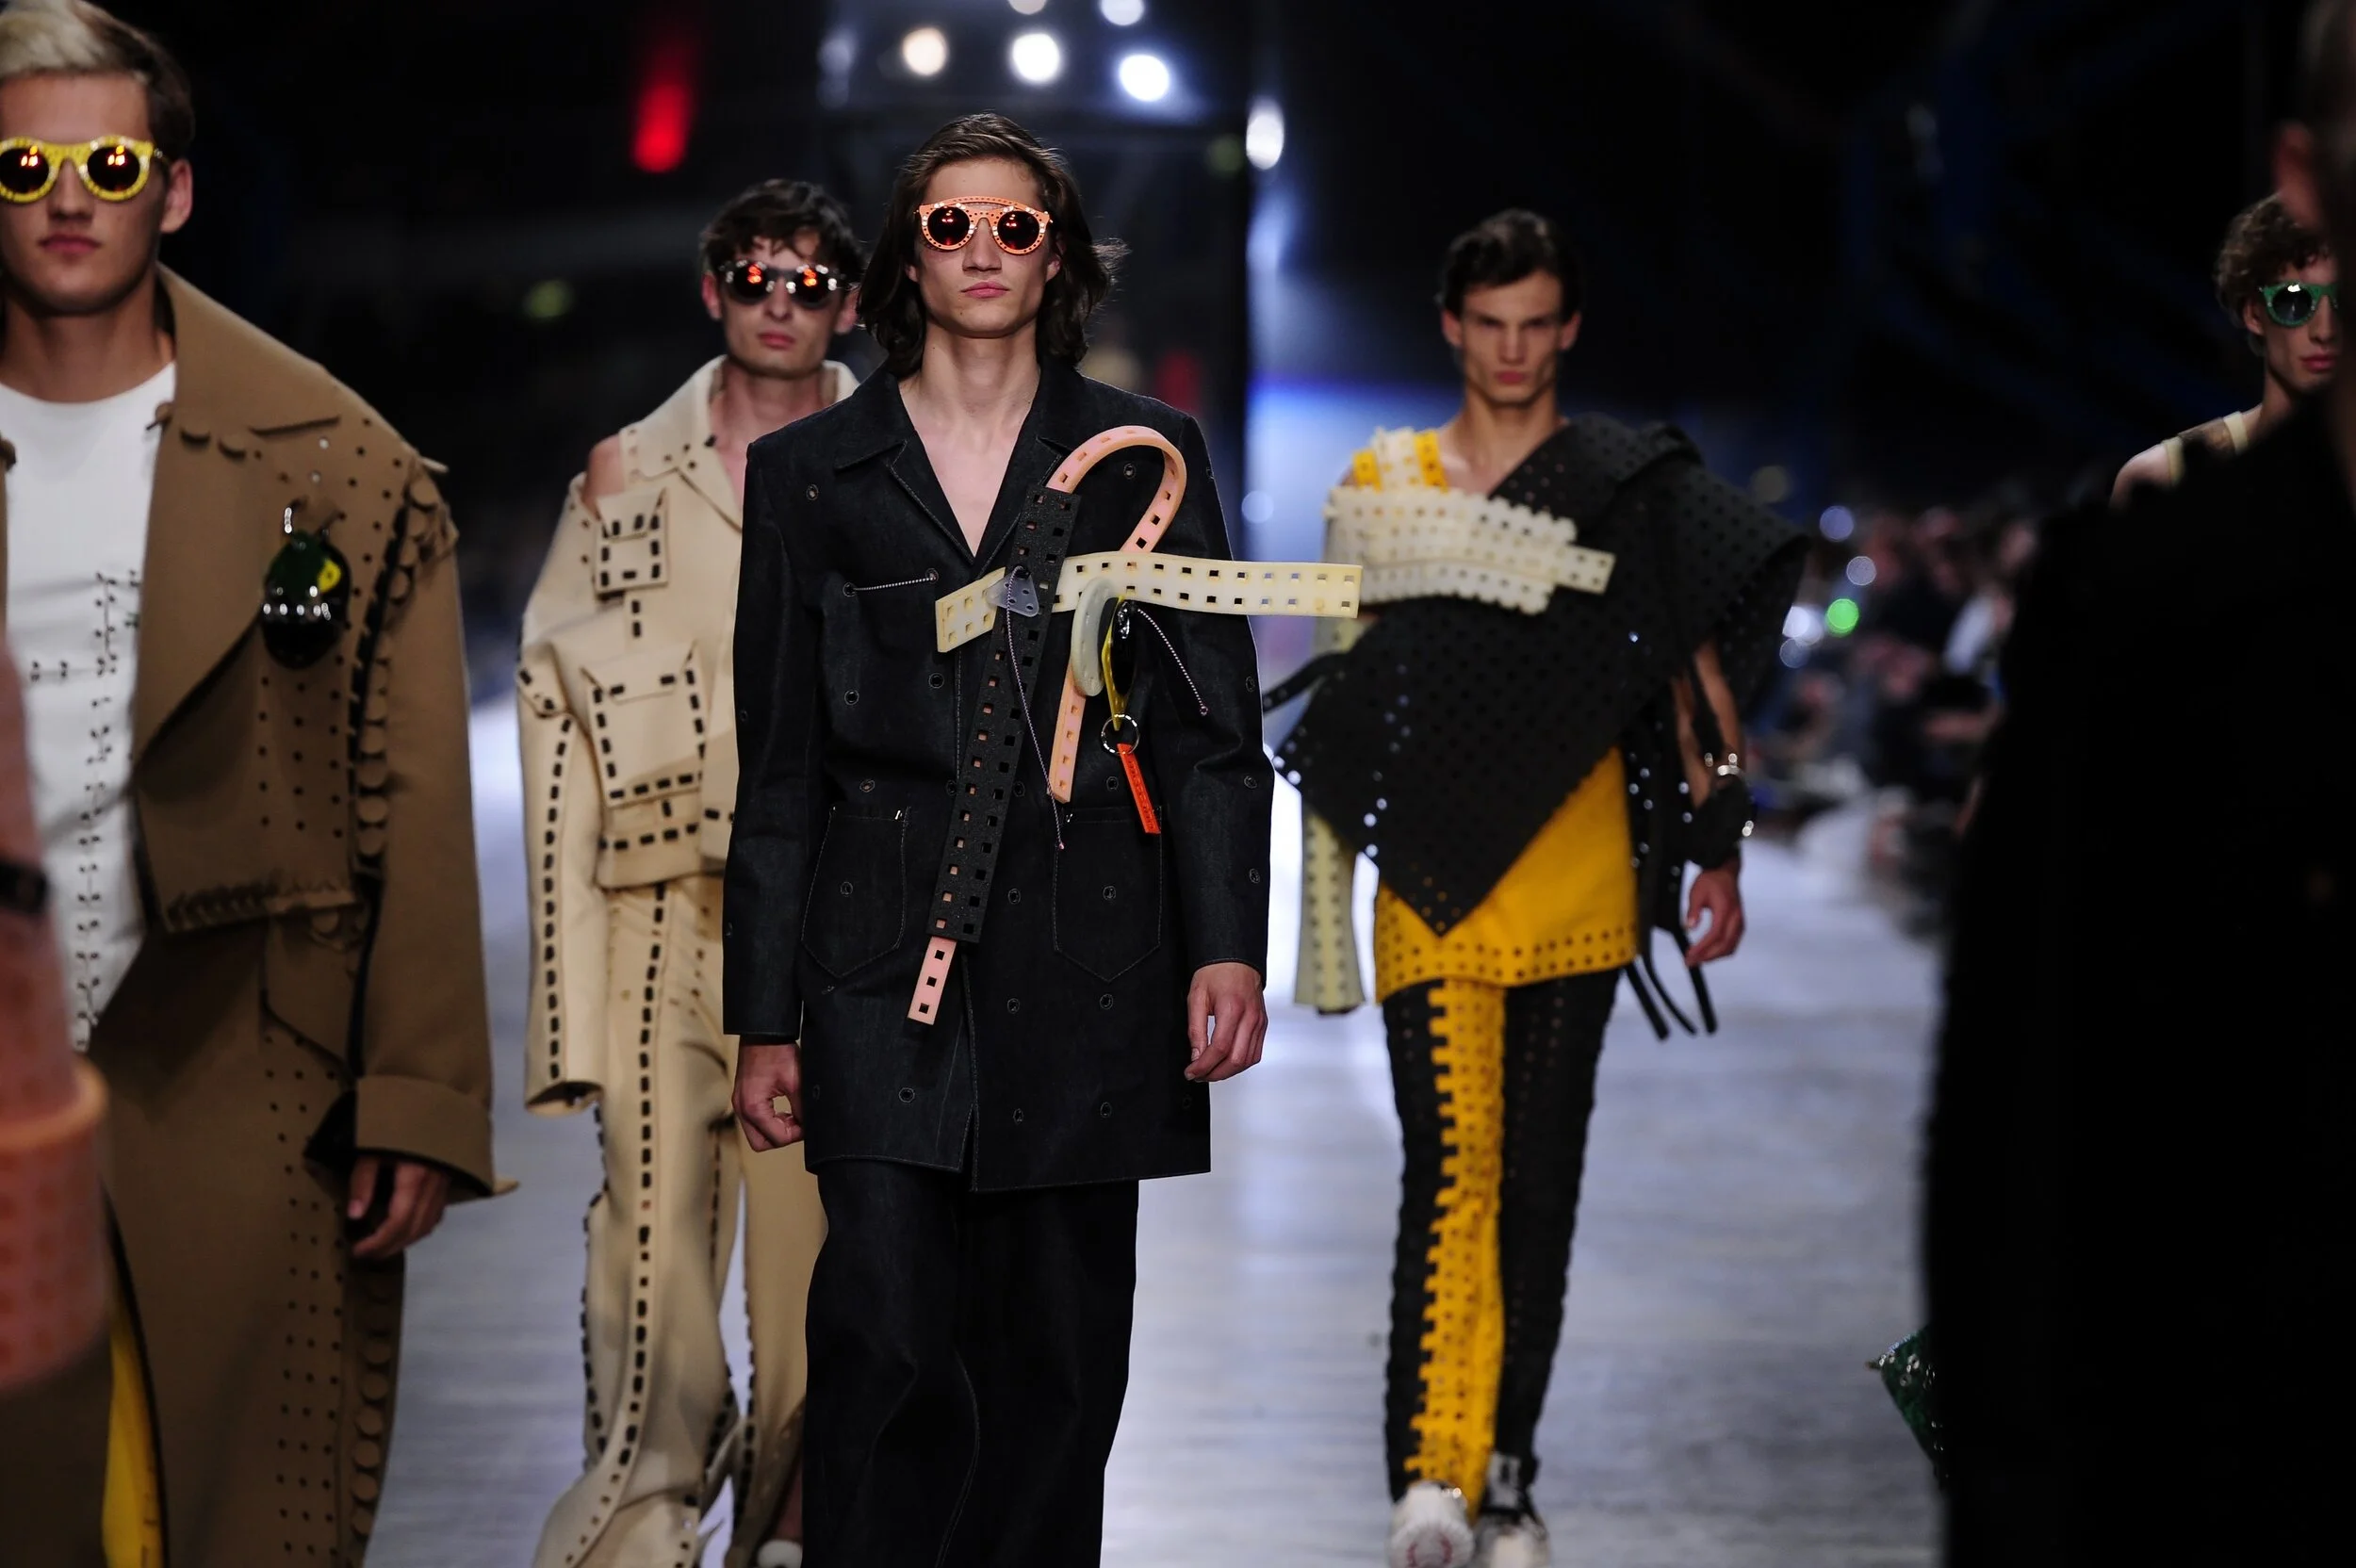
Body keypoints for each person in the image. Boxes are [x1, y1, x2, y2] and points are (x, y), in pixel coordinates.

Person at [724, 112, 1272, 1565]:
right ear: (907, 258)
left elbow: (1211, 730)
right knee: (882, 1340)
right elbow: (780, 764)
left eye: (1014, 225)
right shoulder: (811, 476)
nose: (982, 249)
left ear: (1057, 259)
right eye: (949, 224)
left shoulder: (1143, 460)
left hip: (1090, 965)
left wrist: (1226, 947)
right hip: (875, 965)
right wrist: (762, 1015)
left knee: (1059, 1369)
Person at [0, 4, 496, 1565]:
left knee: (240, 1510)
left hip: (243, 1060)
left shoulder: (334, 464)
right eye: (24, 164)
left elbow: (408, 787)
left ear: (176, 191)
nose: (67, 198)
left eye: (109, 165)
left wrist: (416, 1093)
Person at [1275, 210, 1806, 1568]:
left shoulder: (1627, 484)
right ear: (1451, 327)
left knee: (1538, 1189)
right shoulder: (1385, 478)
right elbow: (1348, 675)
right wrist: (1326, 907)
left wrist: (1719, 841)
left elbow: (1689, 672)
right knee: (1449, 1170)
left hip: (1580, 873)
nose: (1511, 351)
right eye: (1489, 325)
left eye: (1535, 325)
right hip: (1436, 878)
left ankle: (1506, 1478)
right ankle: (1429, 1475)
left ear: (1567, 330)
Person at [1927, 1, 2356, 1559]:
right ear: (2254, 309)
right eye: (2293, 298)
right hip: (2203, 1060)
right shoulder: (2161, 511)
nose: (2319, 324)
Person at [517, 178, 859, 1568]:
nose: (780, 302)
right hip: (661, 914)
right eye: (754, 275)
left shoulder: (894, 465)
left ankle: (785, 1520)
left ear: (847, 304)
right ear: (712, 288)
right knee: (646, 1263)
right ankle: (640, 1528)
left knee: (812, 1278)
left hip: (830, 926)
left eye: (808, 280)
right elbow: (556, 720)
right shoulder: (625, 475)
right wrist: (567, 1011)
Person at [2112, 192, 2337, 499]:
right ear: (2254, 314)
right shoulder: (2166, 480)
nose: (2324, 331)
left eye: (2345, 301)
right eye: (2294, 301)